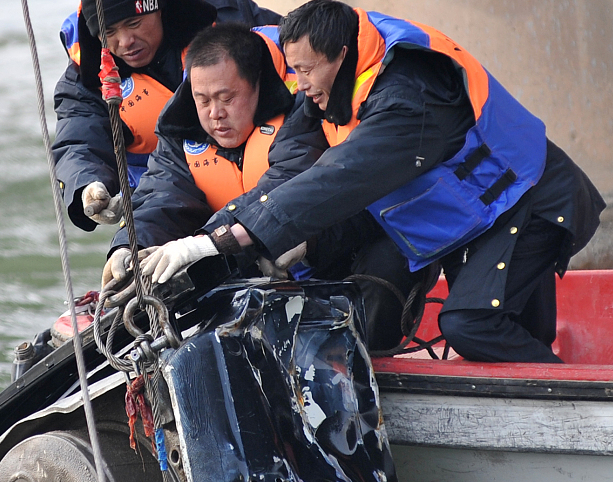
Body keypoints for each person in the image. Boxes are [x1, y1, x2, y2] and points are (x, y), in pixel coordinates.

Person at [142, 0, 605, 363]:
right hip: (489, 215)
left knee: (469, 324)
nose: (297, 84)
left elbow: (336, 180)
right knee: (518, 335)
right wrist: (261, 242)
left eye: (304, 71)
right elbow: (293, 173)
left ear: (341, 56)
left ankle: (582, 411)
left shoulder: (408, 100)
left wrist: (213, 241)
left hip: (536, 200)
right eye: (292, 70)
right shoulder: (328, 88)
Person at [103, 23, 418, 350]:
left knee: (386, 258)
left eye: (227, 98)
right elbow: (162, 196)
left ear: (256, 86)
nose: (215, 113)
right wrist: (130, 245)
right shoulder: (178, 134)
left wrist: (202, 244)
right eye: (203, 100)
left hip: (331, 258)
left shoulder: (302, 116)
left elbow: (286, 186)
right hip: (245, 266)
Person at [52, 0, 279, 234]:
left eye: (133, 23)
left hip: (268, 181)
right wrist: (87, 185)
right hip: (167, 204)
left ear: (157, 8)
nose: (125, 42)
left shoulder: (232, 19)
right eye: (109, 33)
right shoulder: (84, 81)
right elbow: (77, 142)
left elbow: (305, 57)